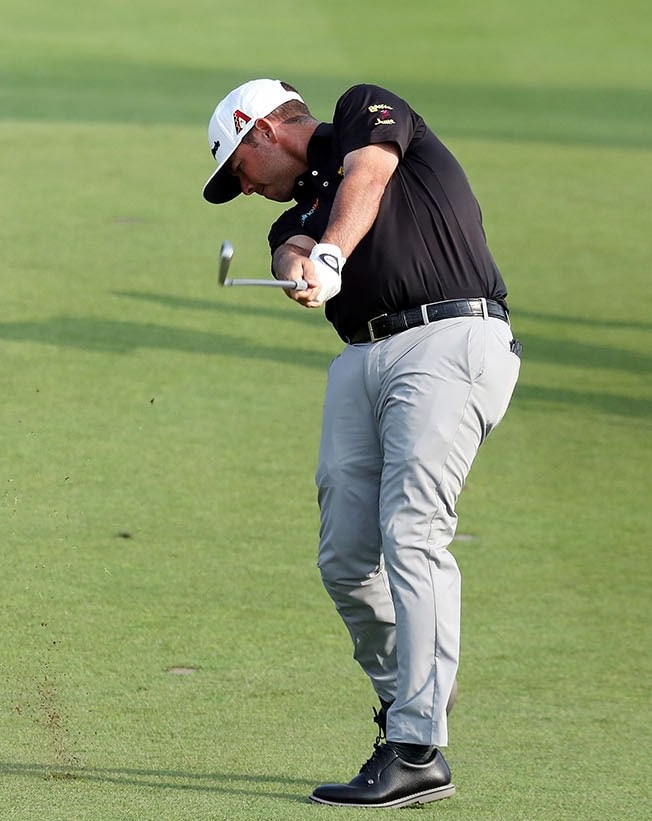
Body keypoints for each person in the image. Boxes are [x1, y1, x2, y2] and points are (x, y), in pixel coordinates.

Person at [200, 79, 521, 808]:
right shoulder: (291, 217)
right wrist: (301, 269)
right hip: (361, 358)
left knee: (412, 532)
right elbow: (293, 251)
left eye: (238, 172)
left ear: (263, 132)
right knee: (345, 558)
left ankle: (416, 746)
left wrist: (335, 254)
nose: (244, 190)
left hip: (450, 337)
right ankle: (410, 695)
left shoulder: (361, 113)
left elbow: (368, 174)